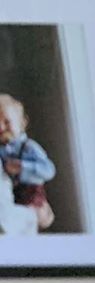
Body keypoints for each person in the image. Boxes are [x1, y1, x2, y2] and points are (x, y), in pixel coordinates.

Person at [0, 93, 57, 231]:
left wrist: (22, 167)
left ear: (21, 123)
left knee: (33, 217)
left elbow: (49, 170)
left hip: (31, 192)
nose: (1, 128)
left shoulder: (28, 147)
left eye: (7, 122)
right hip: (15, 196)